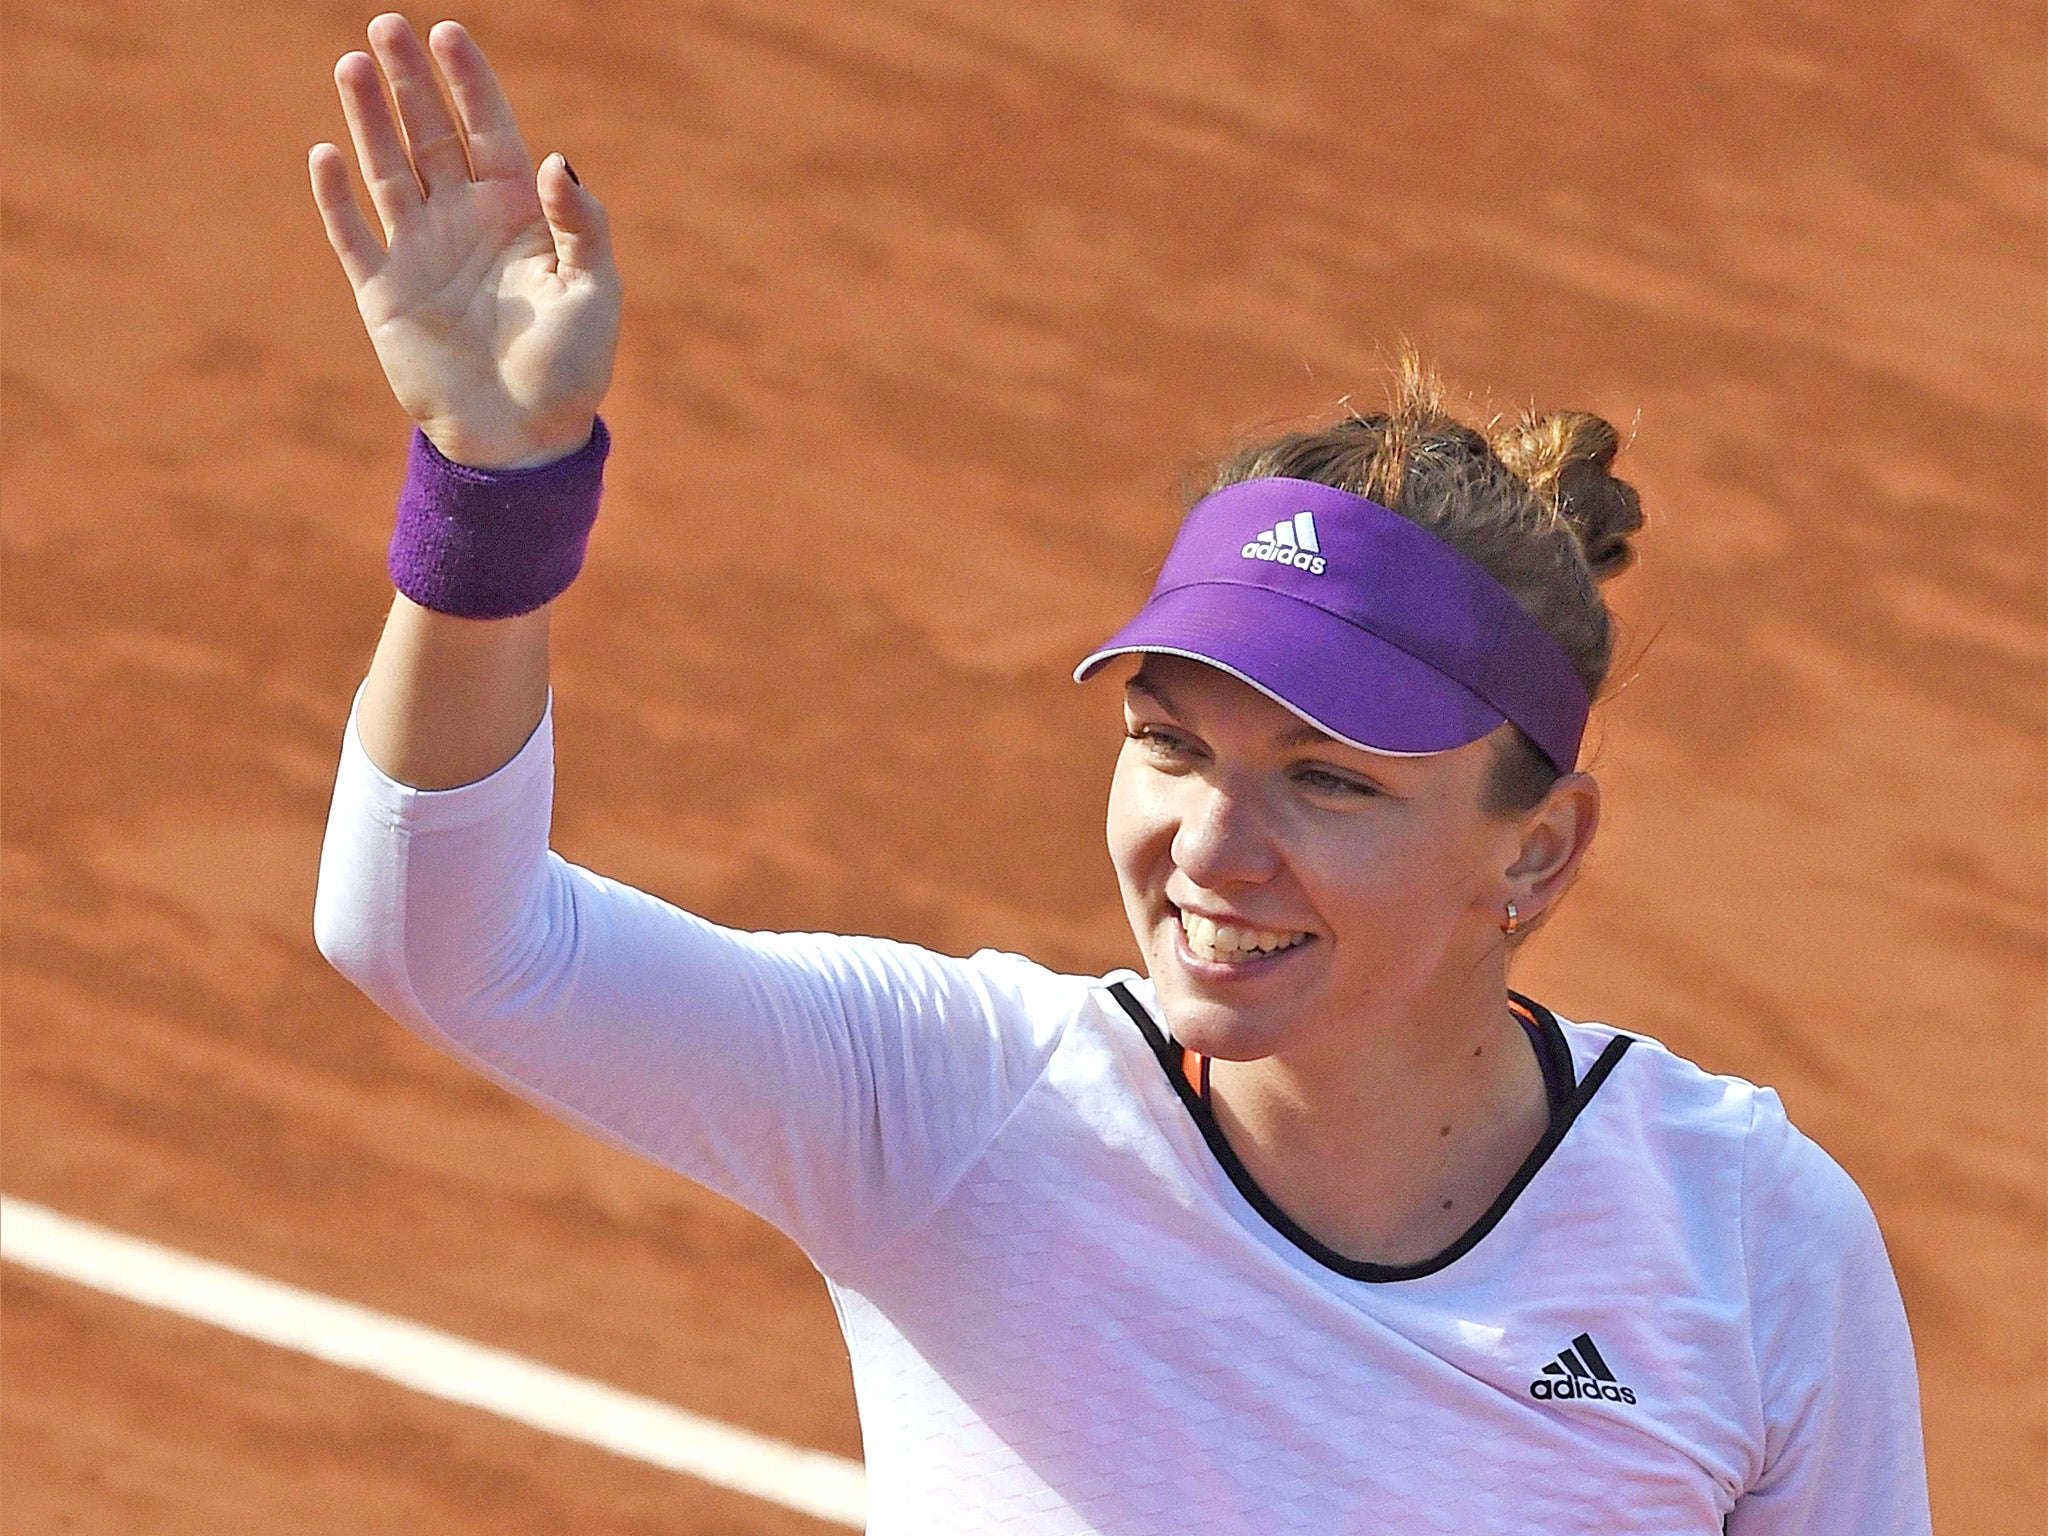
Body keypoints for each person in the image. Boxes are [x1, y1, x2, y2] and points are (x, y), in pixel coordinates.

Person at [308, 15, 1932, 1533]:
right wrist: (494, 493)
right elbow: (446, 938)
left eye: (1331, 780)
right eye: (1170, 744)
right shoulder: (958, 1110)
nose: (1213, 849)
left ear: (1539, 852)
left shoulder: (1747, 1245)